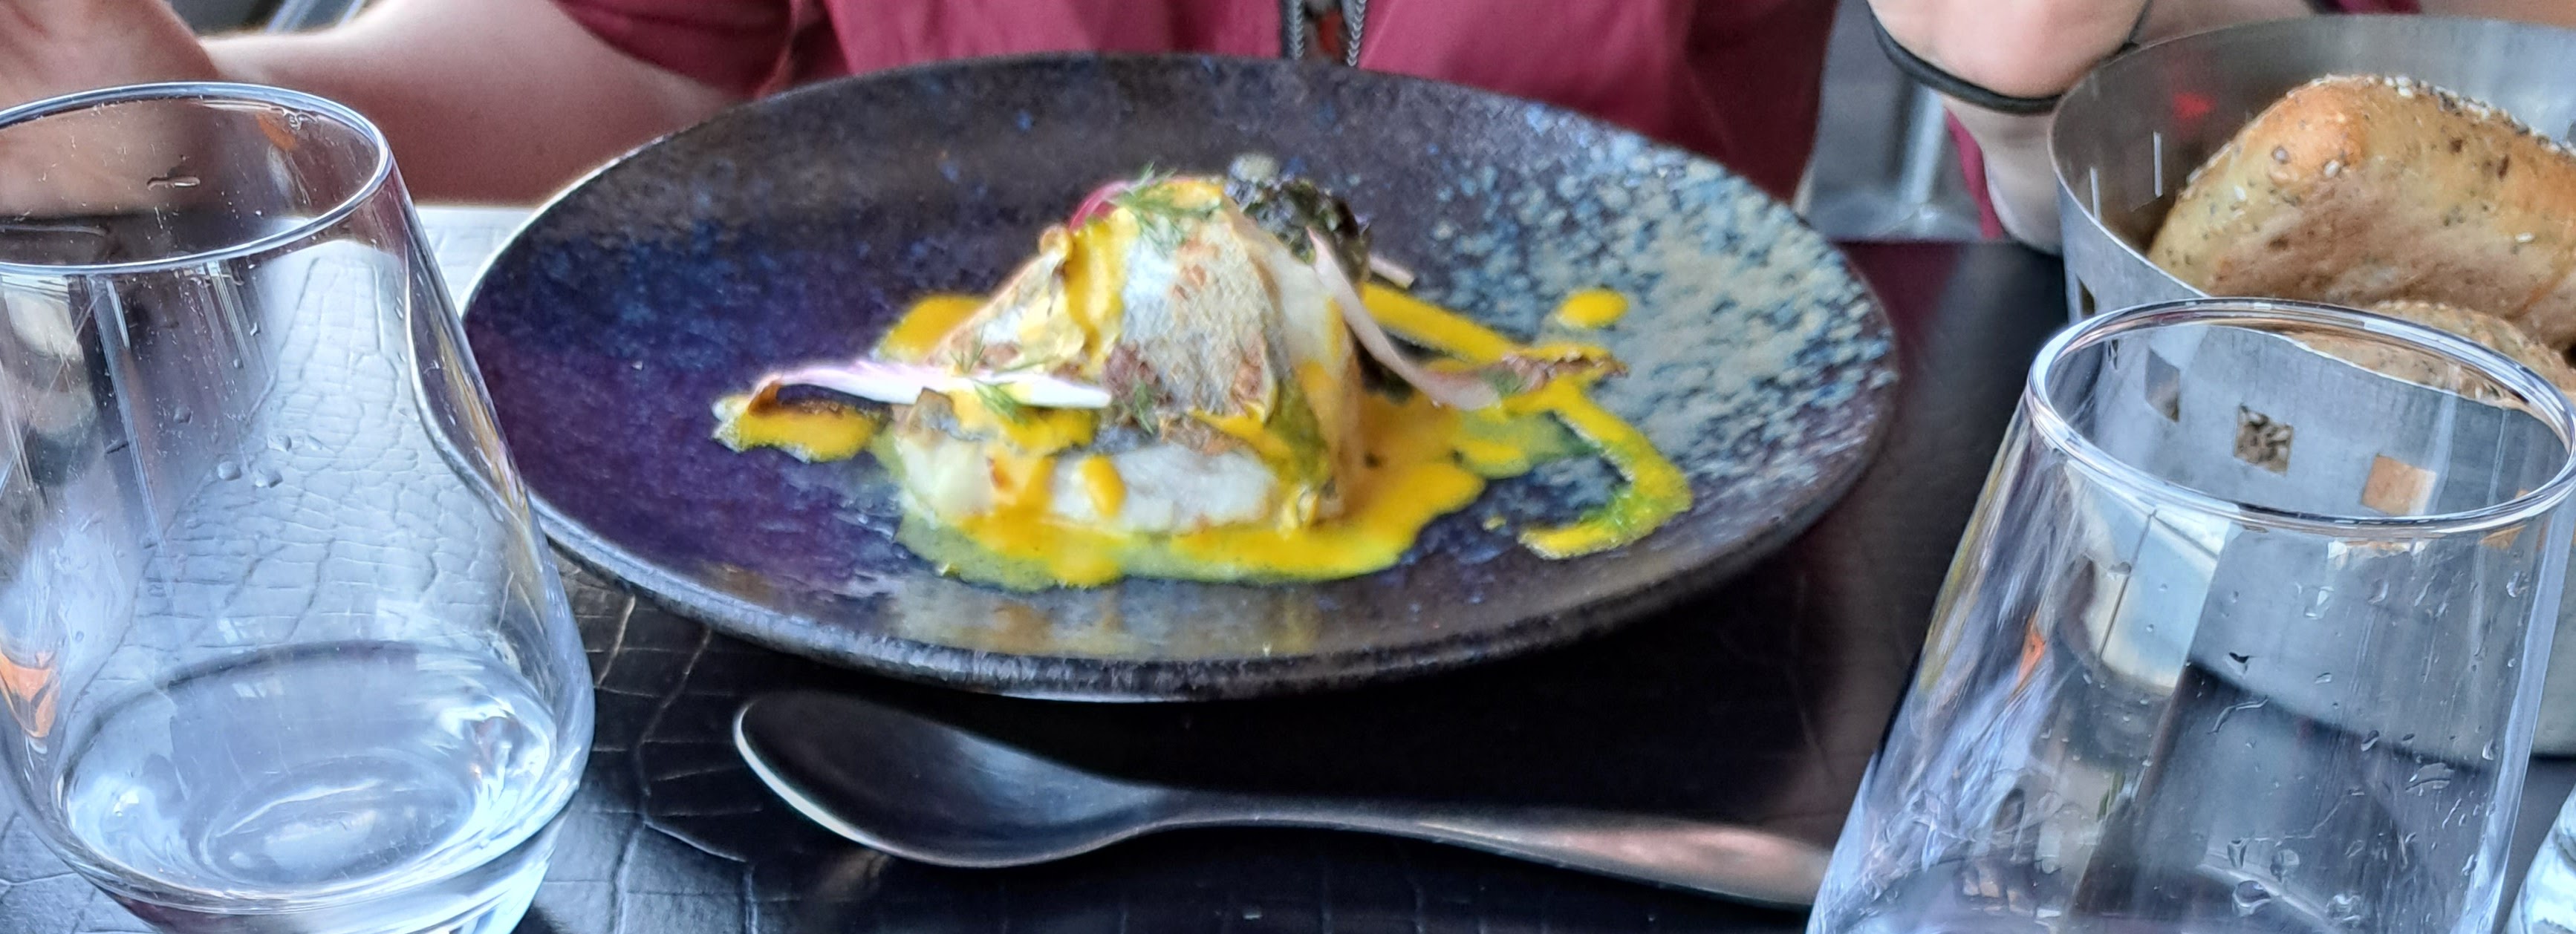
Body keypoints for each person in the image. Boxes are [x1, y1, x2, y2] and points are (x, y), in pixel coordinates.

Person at [0, 0, 2370, 215]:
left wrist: (2039, 69)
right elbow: (634, 54)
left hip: (1637, 660)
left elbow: (2094, 166)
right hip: (910, 693)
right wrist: (203, 124)